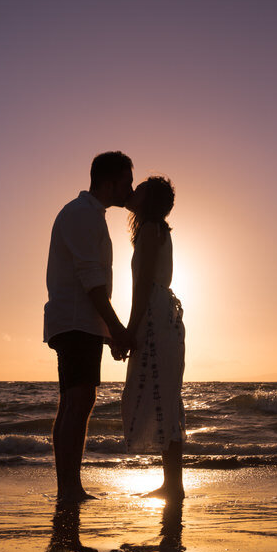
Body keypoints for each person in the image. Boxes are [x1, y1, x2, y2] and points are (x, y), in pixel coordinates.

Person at [43, 151, 134, 501]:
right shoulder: (82, 214)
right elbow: (91, 281)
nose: (129, 188)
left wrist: (108, 332)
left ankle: (68, 486)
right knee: (78, 401)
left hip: (79, 321)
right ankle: (69, 488)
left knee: (74, 401)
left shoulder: (89, 215)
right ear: (110, 181)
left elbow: (92, 280)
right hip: (76, 321)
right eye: (127, 180)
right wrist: (118, 328)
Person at [120, 175, 185, 498]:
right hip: (166, 314)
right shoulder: (160, 230)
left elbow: (143, 284)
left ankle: (173, 486)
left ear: (148, 199)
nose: (134, 191)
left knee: (159, 393)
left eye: (140, 188)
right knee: (167, 397)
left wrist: (129, 331)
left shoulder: (149, 230)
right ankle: (173, 484)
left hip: (155, 315)